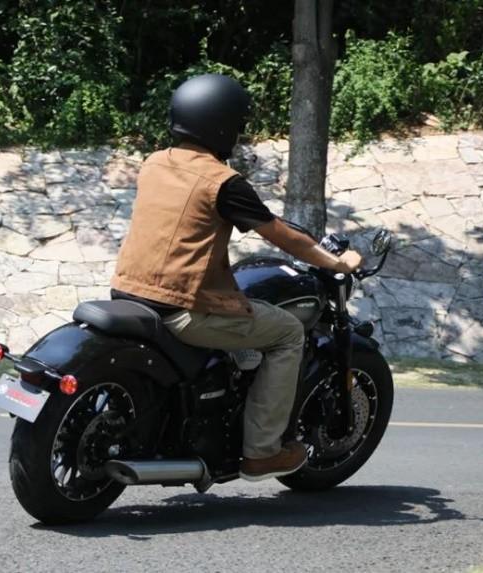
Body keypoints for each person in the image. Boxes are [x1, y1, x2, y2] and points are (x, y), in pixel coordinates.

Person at [110, 73, 362, 481]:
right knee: (287, 333)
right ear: (222, 125)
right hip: (182, 308)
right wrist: (336, 263)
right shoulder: (223, 183)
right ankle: (262, 452)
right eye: (237, 125)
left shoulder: (154, 162)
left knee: (246, 316)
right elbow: (280, 234)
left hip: (128, 293)